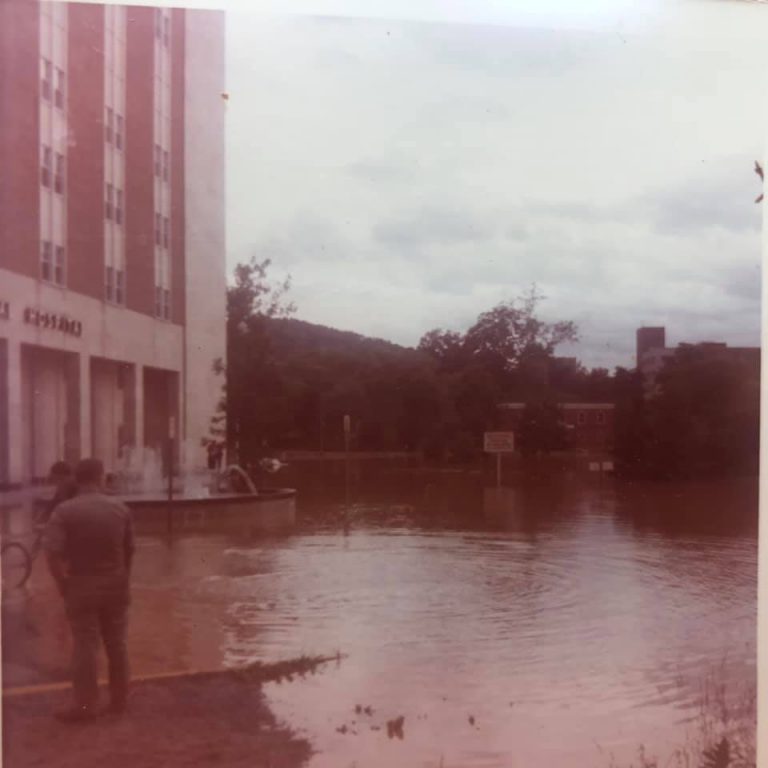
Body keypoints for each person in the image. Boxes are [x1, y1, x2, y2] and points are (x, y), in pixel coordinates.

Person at [43, 458, 135, 723]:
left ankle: (86, 706)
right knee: (117, 643)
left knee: (85, 645)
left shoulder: (64, 511)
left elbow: (52, 553)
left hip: (81, 583)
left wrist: (63, 584)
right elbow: (130, 550)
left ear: (77, 479)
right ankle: (119, 701)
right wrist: (123, 577)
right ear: (100, 477)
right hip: (115, 583)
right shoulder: (120, 508)